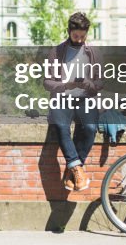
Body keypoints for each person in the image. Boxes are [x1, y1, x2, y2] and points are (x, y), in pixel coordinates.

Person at [43, 12, 101, 192]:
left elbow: (101, 82)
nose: (79, 39)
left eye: (83, 36)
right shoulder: (57, 51)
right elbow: (46, 81)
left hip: (85, 98)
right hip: (62, 98)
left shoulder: (93, 53)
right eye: (76, 36)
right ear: (68, 31)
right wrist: (63, 85)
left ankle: (73, 170)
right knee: (61, 126)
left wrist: (90, 84)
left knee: (91, 128)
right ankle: (77, 170)